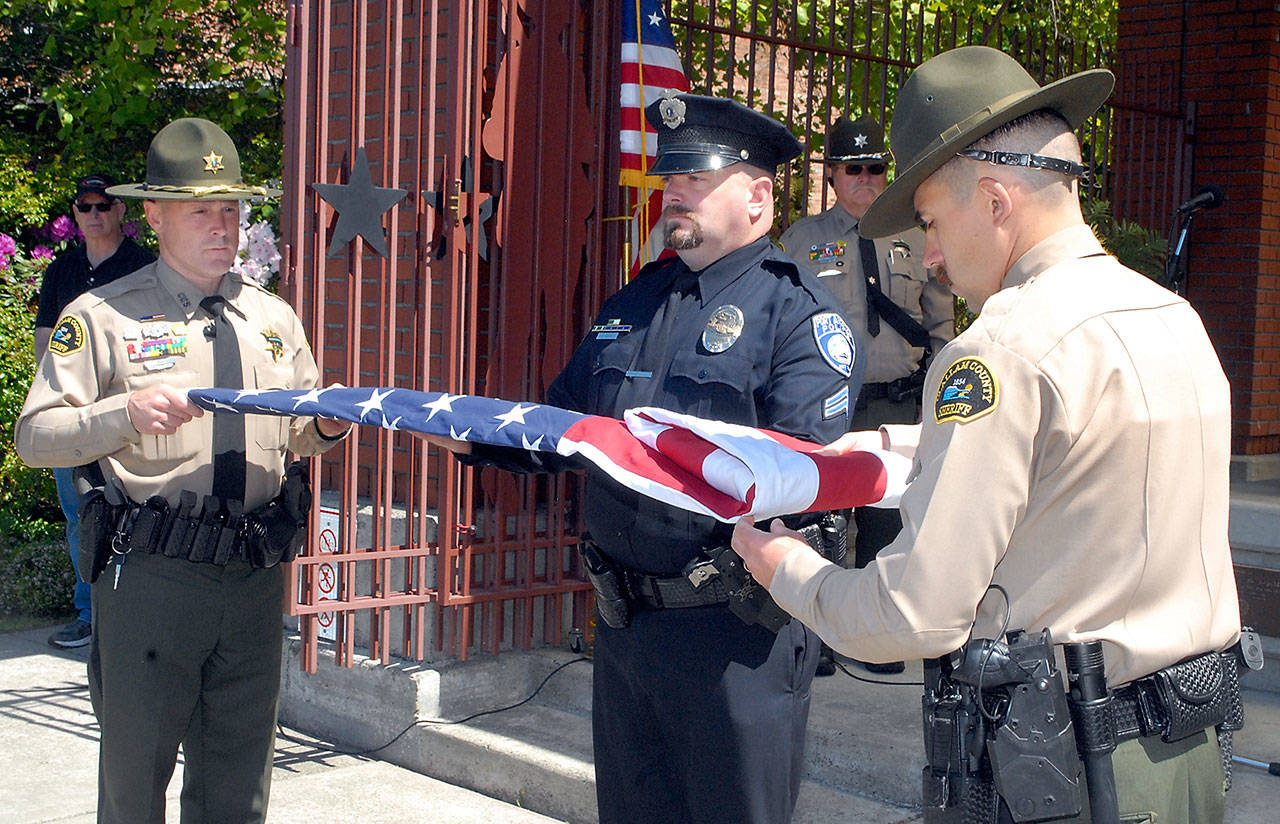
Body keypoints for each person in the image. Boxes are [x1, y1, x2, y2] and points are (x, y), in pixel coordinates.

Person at [732, 45, 1241, 823]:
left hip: (1063, 774)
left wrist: (785, 569)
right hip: (1189, 758)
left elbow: (913, 613)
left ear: (997, 201)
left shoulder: (997, 351)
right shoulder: (1173, 317)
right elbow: (1078, 471)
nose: (929, 257)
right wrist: (890, 451)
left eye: (933, 221)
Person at [425, 93, 859, 824]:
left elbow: (805, 478)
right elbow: (569, 425)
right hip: (627, 630)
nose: (674, 190)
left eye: (698, 176)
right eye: (670, 178)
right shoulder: (635, 302)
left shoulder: (799, 316)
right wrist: (466, 436)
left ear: (757, 196)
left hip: (733, 636)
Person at [15, 117, 349, 824]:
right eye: (201, 209)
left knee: (239, 785)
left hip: (254, 575)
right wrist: (122, 414)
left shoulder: (273, 319)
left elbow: (294, 428)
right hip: (154, 579)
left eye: (230, 209)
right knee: (135, 784)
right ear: (155, 214)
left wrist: (323, 425)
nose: (222, 226)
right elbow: (35, 436)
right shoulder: (102, 316)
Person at [780, 113, 954, 675]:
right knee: (825, 518)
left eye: (876, 169)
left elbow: (938, 318)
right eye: (854, 169)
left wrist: (937, 389)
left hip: (895, 400)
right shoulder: (802, 241)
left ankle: (871, 639)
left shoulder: (913, 237)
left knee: (886, 524)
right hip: (829, 404)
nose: (866, 180)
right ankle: (819, 639)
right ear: (831, 174)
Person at [35, 173, 156, 648]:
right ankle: (89, 614)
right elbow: (47, 340)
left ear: (122, 211)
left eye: (103, 205)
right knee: (79, 514)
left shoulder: (143, 266)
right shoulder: (61, 270)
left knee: (140, 510)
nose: (94, 214)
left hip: (132, 411)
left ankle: (133, 610)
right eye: (84, 207)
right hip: (77, 414)